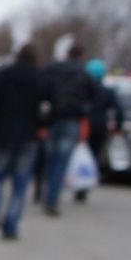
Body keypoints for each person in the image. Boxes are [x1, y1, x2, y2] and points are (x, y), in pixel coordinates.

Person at [0, 46, 47, 239]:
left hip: (1, 135)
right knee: (20, 185)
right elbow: (45, 108)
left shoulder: (3, 75)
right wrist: (41, 126)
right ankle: (10, 225)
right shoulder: (39, 78)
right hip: (28, 137)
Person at [39, 42, 96, 216]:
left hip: (52, 119)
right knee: (61, 162)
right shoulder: (84, 73)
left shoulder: (53, 69)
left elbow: (41, 89)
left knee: (49, 158)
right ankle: (52, 199)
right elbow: (93, 94)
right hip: (71, 120)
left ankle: (44, 193)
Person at [75, 58, 123, 203]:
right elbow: (119, 111)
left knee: (81, 153)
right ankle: (86, 184)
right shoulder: (108, 92)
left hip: (84, 125)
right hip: (100, 127)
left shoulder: (81, 90)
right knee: (94, 154)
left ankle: (79, 183)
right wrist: (117, 127)